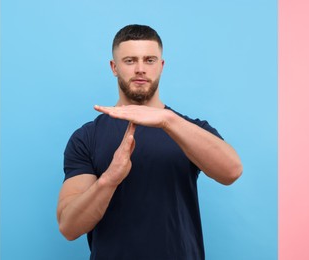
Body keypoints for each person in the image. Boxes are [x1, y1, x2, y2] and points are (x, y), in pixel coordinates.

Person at [54, 24, 244, 259]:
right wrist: (110, 179)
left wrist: (167, 120)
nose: (141, 69)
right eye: (130, 60)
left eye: (150, 60)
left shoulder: (189, 129)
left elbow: (232, 171)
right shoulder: (86, 137)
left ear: (161, 66)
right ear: (114, 67)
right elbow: (69, 227)